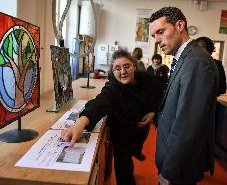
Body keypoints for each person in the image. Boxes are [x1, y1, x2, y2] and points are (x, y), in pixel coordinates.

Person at [61, 50, 161, 185]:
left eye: (127, 66)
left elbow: (160, 96)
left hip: (141, 126)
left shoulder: (147, 79)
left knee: (137, 145)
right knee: (123, 165)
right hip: (121, 130)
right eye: (117, 68)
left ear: (134, 66)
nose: (123, 71)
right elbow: (100, 103)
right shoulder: (113, 87)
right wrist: (80, 123)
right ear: (112, 72)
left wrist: (153, 112)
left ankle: (136, 151)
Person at [149, 6, 219, 185]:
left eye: (161, 32)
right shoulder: (185, 58)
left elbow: (189, 124)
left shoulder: (196, 61)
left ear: (180, 25)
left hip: (179, 167)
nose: (157, 40)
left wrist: (169, 172)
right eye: (154, 35)